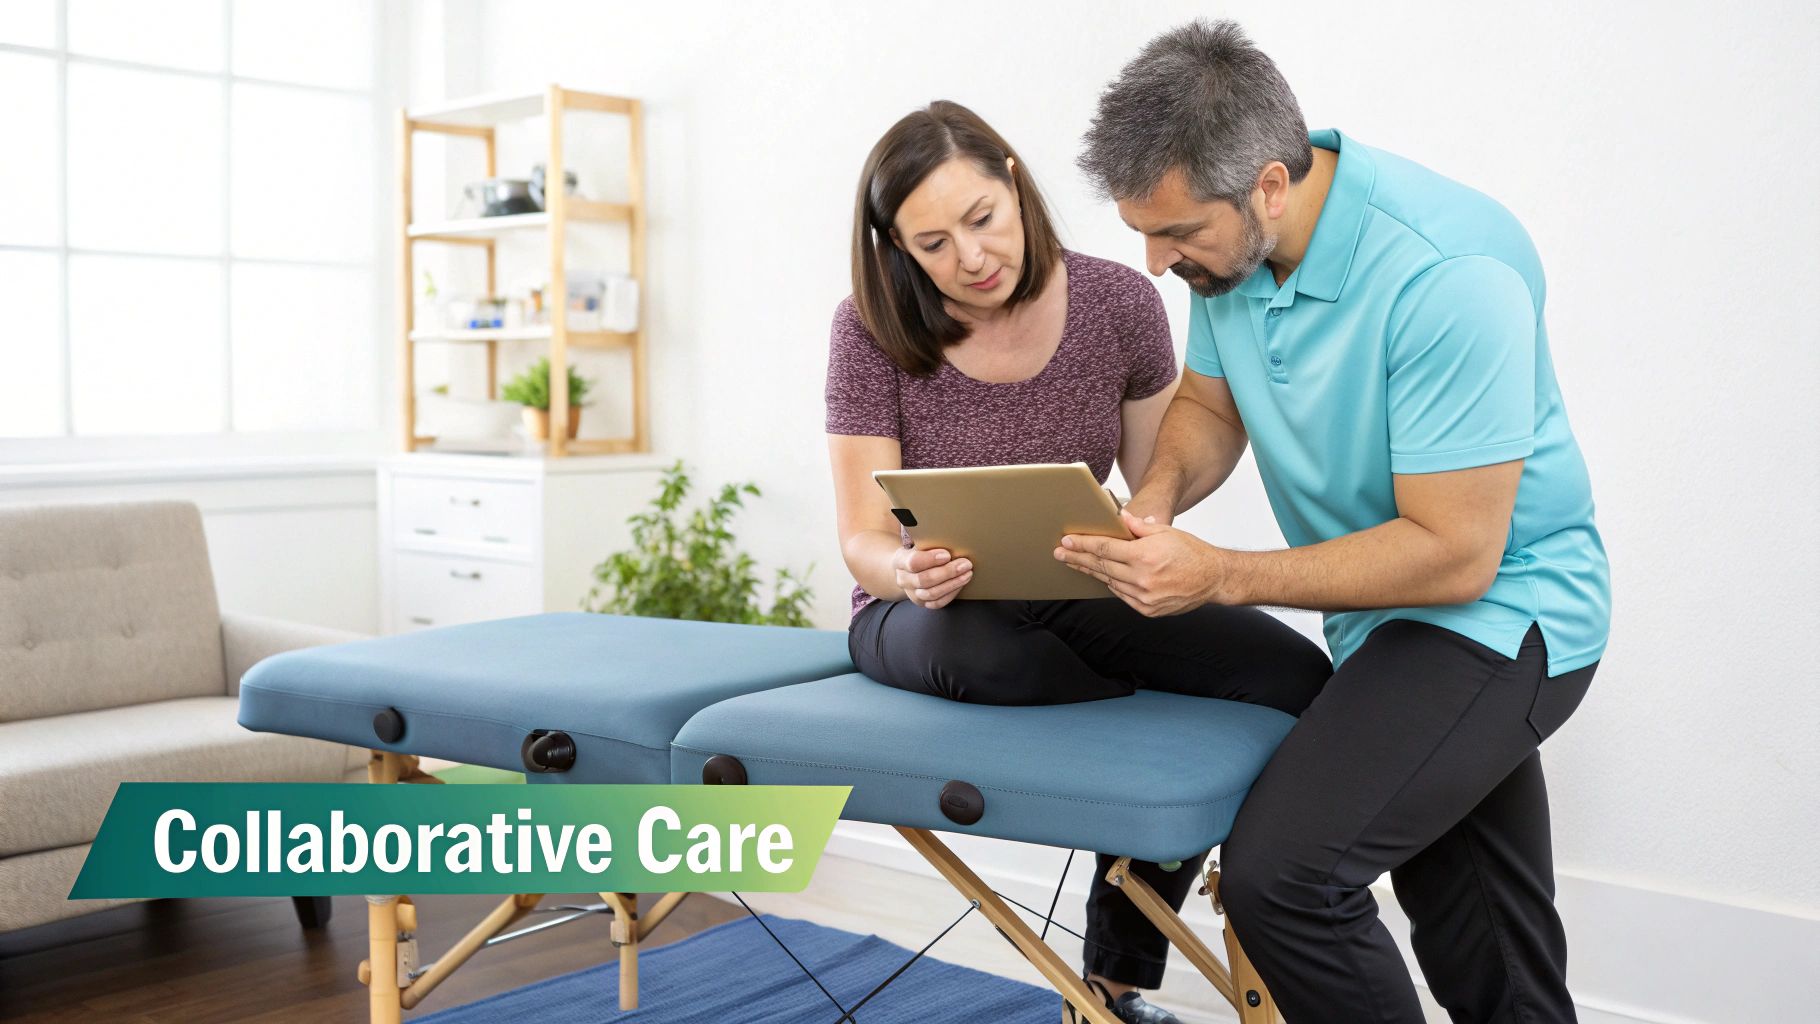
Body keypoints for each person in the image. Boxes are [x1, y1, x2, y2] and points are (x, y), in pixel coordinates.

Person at [1063, 20, 1612, 1024]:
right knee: (1475, 923)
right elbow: (1207, 405)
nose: (1151, 261)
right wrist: (1152, 503)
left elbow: (1453, 553)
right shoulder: (1230, 259)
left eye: (1175, 232)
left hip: (1503, 611)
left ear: (1268, 184)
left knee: (1285, 879)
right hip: (1386, 618)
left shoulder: (1448, 271)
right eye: (1143, 230)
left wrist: (1220, 572)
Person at [825, 99, 1333, 1024]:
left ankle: (1114, 979)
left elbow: (1156, 479)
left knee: (1286, 669)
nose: (971, 258)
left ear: (1016, 186)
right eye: (932, 244)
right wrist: (905, 573)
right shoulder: (868, 328)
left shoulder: (1118, 301)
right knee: (997, 655)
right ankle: (1147, 737)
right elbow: (861, 531)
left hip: (1077, 591)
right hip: (924, 611)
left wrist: (1153, 531)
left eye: (981, 221)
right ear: (896, 246)